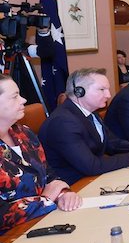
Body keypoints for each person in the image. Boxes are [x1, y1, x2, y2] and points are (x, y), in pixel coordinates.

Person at [40, 68, 129, 185]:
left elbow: (111, 142)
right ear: (79, 92)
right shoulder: (63, 122)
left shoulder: (90, 112)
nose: (108, 95)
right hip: (73, 187)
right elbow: (91, 166)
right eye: (102, 89)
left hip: (94, 178)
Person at [0, 74, 82, 234]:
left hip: (47, 221)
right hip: (13, 239)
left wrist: (62, 194)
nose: (23, 100)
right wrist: (44, 200)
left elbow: (48, 175)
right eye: (15, 97)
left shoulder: (24, 133)